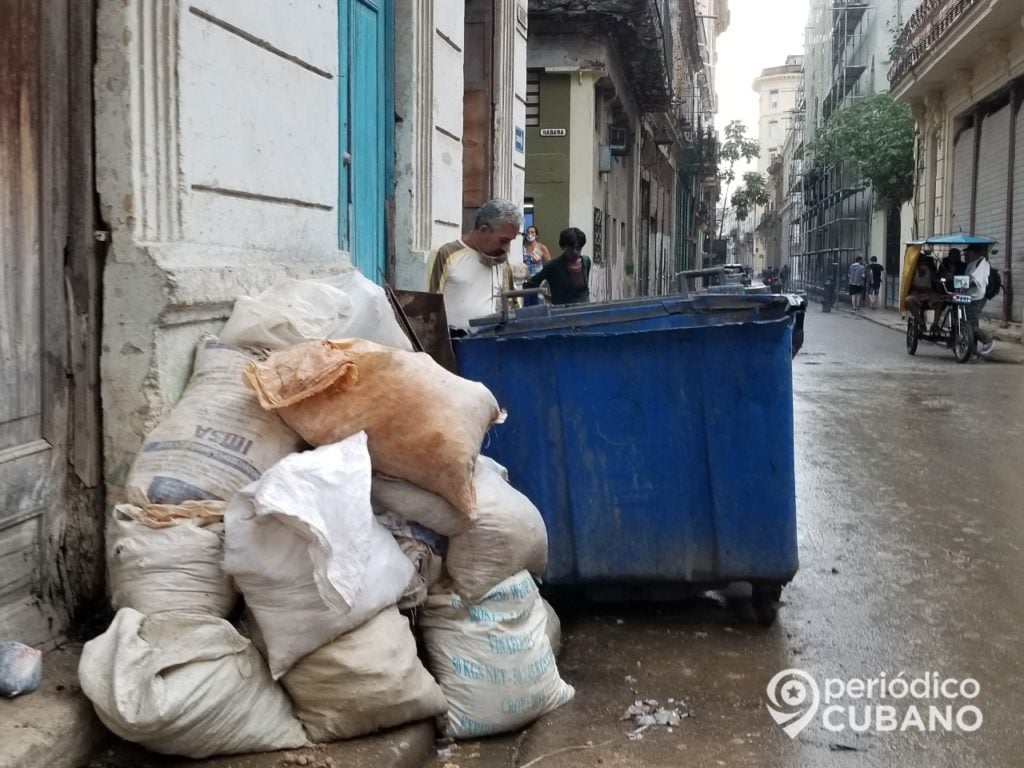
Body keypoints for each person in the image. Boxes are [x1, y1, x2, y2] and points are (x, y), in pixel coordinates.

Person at [426, 199, 520, 330]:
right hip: (453, 344)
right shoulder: (446, 253)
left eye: (510, 241)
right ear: (483, 230)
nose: (506, 248)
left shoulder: (502, 261)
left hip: (490, 342)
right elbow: (429, 306)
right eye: (503, 240)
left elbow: (511, 305)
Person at [524, 227, 591, 305]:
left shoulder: (586, 262)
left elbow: (585, 291)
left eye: (578, 248)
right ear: (564, 247)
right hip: (562, 313)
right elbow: (530, 285)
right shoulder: (553, 266)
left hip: (585, 311)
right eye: (571, 249)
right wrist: (547, 297)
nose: (575, 252)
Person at [963, 245, 995, 355]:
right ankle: (971, 350)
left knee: (970, 323)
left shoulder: (982, 263)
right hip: (969, 297)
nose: (966, 255)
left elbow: (977, 282)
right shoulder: (971, 264)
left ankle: (987, 340)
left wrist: (962, 283)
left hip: (978, 297)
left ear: (975, 253)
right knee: (965, 321)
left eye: (968, 252)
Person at [904, 254, 944, 333]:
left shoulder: (930, 270)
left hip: (929, 293)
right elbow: (909, 285)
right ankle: (920, 322)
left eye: (923, 261)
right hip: (916, 294)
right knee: (908, 300)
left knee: (940, 301)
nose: (922, 262)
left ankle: (935, 324)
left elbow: (935, 281)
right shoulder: (912, 271)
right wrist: (918, 289)